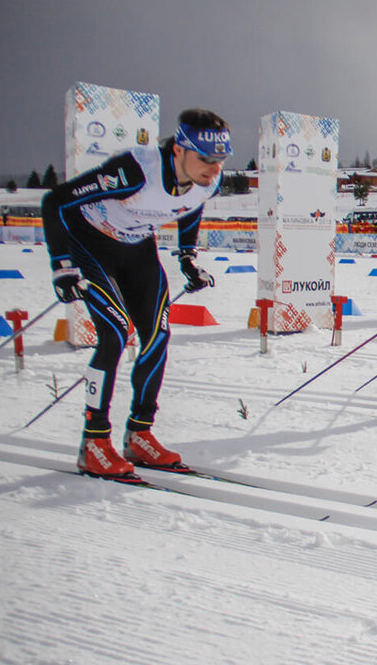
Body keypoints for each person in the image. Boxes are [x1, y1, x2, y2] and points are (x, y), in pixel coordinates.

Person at [41, 108, 230, 480]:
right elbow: (56, 201)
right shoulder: (135, 170)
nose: (214, 168)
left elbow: (190, 207)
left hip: (137, 251)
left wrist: (187, 258)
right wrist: (62, 266)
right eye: (205, 158)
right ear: (179, 150)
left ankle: (139, 434)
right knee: (112, 337)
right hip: (91, 248)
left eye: (221, 159)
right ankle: (93, 442)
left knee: (157, 337)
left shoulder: (208, 180)